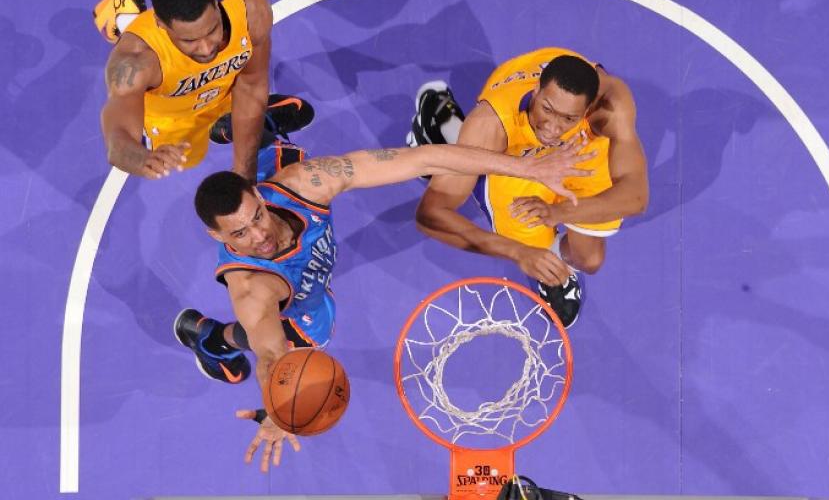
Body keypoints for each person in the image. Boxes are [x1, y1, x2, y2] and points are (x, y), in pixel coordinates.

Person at [174, 138, 591, 472]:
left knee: (279, 152)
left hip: (280, 193)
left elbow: (421, 157)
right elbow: (271, 353)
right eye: (240, 234)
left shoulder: (305, 183)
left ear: (261, 199)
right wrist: (278, 409)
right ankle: (214, 338)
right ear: (217, 237)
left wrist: (529, 167)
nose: (259, 236)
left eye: (258, 217)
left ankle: (257, 130)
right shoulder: (251, 287)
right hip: (299, 301)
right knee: (306, 336)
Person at [410, 47, 649, 327]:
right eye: (547, 109)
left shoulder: (610, 104)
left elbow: (636, 196)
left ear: (589, 109)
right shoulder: (491, 123)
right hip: (514, 150)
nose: (552, 126)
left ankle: (454, 148)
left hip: (579, 148)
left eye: (568, 118)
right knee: (527, 233)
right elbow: (430, 215)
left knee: (590, 260)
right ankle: (449, 135)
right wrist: (518, 252)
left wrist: (557, 213)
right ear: (536, 91)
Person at [96, 0, 313, 180]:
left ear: (215, 3)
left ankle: (228, 122)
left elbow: (251, 84)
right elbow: (118, 140)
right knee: (188, 158)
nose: (207, 48)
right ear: (161, 24)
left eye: (212, 30)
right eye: (189, 40)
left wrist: (244, 175)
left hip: (222, 89)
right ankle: (125, 17)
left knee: (243, 112)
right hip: (173, 116)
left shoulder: (250, 10)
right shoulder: (136, 62)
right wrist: (138, 157)